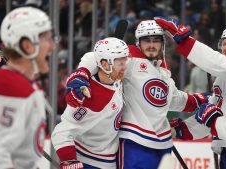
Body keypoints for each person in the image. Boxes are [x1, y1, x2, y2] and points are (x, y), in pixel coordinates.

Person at [64, 20, 207, 169]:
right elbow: (95, 57)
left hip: (163, 144)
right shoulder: (130, 58)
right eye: (146, 40)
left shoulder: (164, 72)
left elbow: (172, 99)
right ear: (139, 42)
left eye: (156, 40)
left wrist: (200, 100)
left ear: (162, 43)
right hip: (135, 142)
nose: (151, 45)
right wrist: (81, 74)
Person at [154, 17, 226, 168]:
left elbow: (215, 61)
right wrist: (182, 130)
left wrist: (185, 41)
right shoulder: (224, 78)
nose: (225, 48)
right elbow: (211, 114)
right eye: (224, 43)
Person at [51, 37, 129, 169]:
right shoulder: (89, 97)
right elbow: (61, 132)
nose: (125, 66)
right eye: (120, 62)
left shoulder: (114, 76)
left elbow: (92, 56)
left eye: (124, 60)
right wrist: (69, 160)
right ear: (105, 65)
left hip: (111, 159)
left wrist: (82, 71)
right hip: (90, 161)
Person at [0, 7, 54, 169]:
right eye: (46, 40)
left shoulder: (28, 85)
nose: (52, 47)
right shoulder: (10, 87)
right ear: (27, 46)